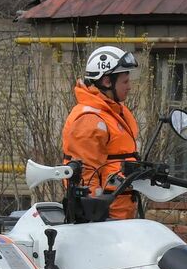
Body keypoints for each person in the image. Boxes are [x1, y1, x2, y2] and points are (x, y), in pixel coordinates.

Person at [60, 45, 142, 220]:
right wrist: (95, 216)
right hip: (105, 218)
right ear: (107, 82)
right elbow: (86, 176)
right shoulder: (90, 119)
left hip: (119, 213)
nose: (129, 87)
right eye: (125, 82)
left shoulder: (111, 113)